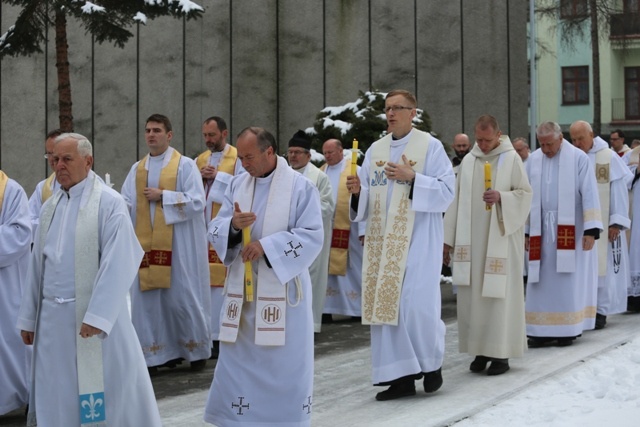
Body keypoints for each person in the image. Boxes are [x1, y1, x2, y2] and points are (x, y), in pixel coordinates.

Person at [17, 133, 162, 426]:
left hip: (93, 323)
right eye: (54, 159)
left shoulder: (109, 204)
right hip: (53, 326)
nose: (58, 166)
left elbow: (119, 261)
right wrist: (28, 318)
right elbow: (37, 268)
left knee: (105, 396)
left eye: (66, 159)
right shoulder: (49, 207)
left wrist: (97, 315)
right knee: (57, 390)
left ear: (88, 161)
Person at [204, 127, 323, 426]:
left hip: (282, 294)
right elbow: (215, 227)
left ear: (269, 152)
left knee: (283, 364)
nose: (244, 163)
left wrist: (267, 247)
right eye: (240, 157)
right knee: (238, 362)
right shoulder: (238, 184)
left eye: (249, 156)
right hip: (243, 296)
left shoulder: (300, 187)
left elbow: (311, 236)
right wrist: (232, 225)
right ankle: (237, 420)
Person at [348, 89, 455, 400]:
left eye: (398, 108)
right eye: (387, 108)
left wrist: (413, 178)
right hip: (383, 244)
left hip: (420, 238)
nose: (391, 113)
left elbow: (447, 191)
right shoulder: (375, 150)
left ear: (413, 112)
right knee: (387, 308)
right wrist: (358, 193)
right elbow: (368, 197)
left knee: (415, 305)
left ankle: (431, 364)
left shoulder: (430, 147)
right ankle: (400, 376)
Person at [121, 114, 211, 372]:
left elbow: (197, 202)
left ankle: (194, 350)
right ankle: (155, 354)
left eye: (157, 130)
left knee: (181, 297)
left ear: (169, 135)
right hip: (146, 248)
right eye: (148, 130)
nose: (151, 135)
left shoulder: (184, 165)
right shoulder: (137, 169)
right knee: (150, 302)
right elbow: (127, 202)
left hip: (179, 247)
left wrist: (164, 196)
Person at [444, 115, 532, 376]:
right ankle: (480, 350)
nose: (482, 145)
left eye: (487, 140)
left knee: (498, 298)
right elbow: (455, 200)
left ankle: (501, 354)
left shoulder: (511, 158)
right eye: (478, 139)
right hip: (470, 242)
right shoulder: (469, 161)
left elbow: (525, 194)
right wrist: (447, 240)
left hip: (501, 240)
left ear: (498, 134)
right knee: (474, 299)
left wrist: (502, 196)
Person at [525, 122, 602, 347]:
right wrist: (527, 232)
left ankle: (567, 328)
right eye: (542, 144)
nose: (546, 149)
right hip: (541, 228)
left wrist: (591, 229)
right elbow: (527, 196)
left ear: (560, 139)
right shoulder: (534, 160)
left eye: (550, 144)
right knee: (539, 279)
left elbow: (589, 192)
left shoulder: (578, 158)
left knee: (566, 278)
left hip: (570, 228)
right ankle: (539, 330)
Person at [569, 121, 632, 329]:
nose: (577, 143)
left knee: (602, 269)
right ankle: (583, 308)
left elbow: (620, 191)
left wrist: (616, 222)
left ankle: (601, 310)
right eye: (574, 139)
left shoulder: (607, 156)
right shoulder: (571, 157)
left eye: (581, 139)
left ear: (591, 135)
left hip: (606, 226)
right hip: (580, 224)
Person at [195, 116, 244, 358]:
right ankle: (204, 334)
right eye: (205, 135)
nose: (207, 140)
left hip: (224, 229)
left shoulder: (237, 158)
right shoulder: (200, 159)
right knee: (203, 284)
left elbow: (243, 185)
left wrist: (218, 177)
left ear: (224, 134)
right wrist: (200, 177)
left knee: (218, 286)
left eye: (212, 135)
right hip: (202, 228)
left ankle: (218, 334)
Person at [287, 130, 335, 333]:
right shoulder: (283, 175)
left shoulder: (319, 177)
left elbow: (328, 206)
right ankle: (291, 323)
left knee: (312, 279)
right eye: (290, 152)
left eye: (298, 152)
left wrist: (301, 212)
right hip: (288, 237)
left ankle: (312, 325)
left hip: (311, 237)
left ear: (308, 155)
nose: (293, 156)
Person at [321, 138, 366, 321]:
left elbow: (364, 199)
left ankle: (357, 309)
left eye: (330, 152)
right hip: (327, 229)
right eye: (325, 153)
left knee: (353, 268)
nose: (327, 156)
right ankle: (325, 309)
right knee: (325, 269)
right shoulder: (320, 172)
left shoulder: (356, 170)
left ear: (341, 151)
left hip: (350, 229)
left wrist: (363, 229)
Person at [0, 171, 31, 416]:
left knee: (10, 342)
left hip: (5, 286)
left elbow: (20, 234)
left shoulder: (10, 190)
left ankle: (20, 395)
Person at [28, 129, 63, 239]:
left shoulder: (91, 184)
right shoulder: (43, 187)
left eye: (55, 153)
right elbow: (28, 220)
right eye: (49, 154)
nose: (52, 159)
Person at [623, 144, 640, 311]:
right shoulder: (632, 155)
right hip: (636, 211)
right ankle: (635, 298)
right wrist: (637, 171)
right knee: (636, 248)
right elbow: (623, 178)